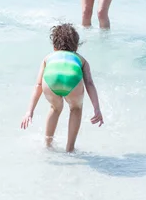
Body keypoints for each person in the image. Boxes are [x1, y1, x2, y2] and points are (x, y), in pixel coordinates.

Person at [20, 23, 104, 152]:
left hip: (51, 80)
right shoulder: (82, 59)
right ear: (76, 46)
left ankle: (47, 144)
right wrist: (97, 108)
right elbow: (89, 83)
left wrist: (29, 111)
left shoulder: (48, 58)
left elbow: (38, 85)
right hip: (73, 80)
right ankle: (70, 148)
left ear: (54, 46)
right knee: (76, 108)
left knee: (55, 108)